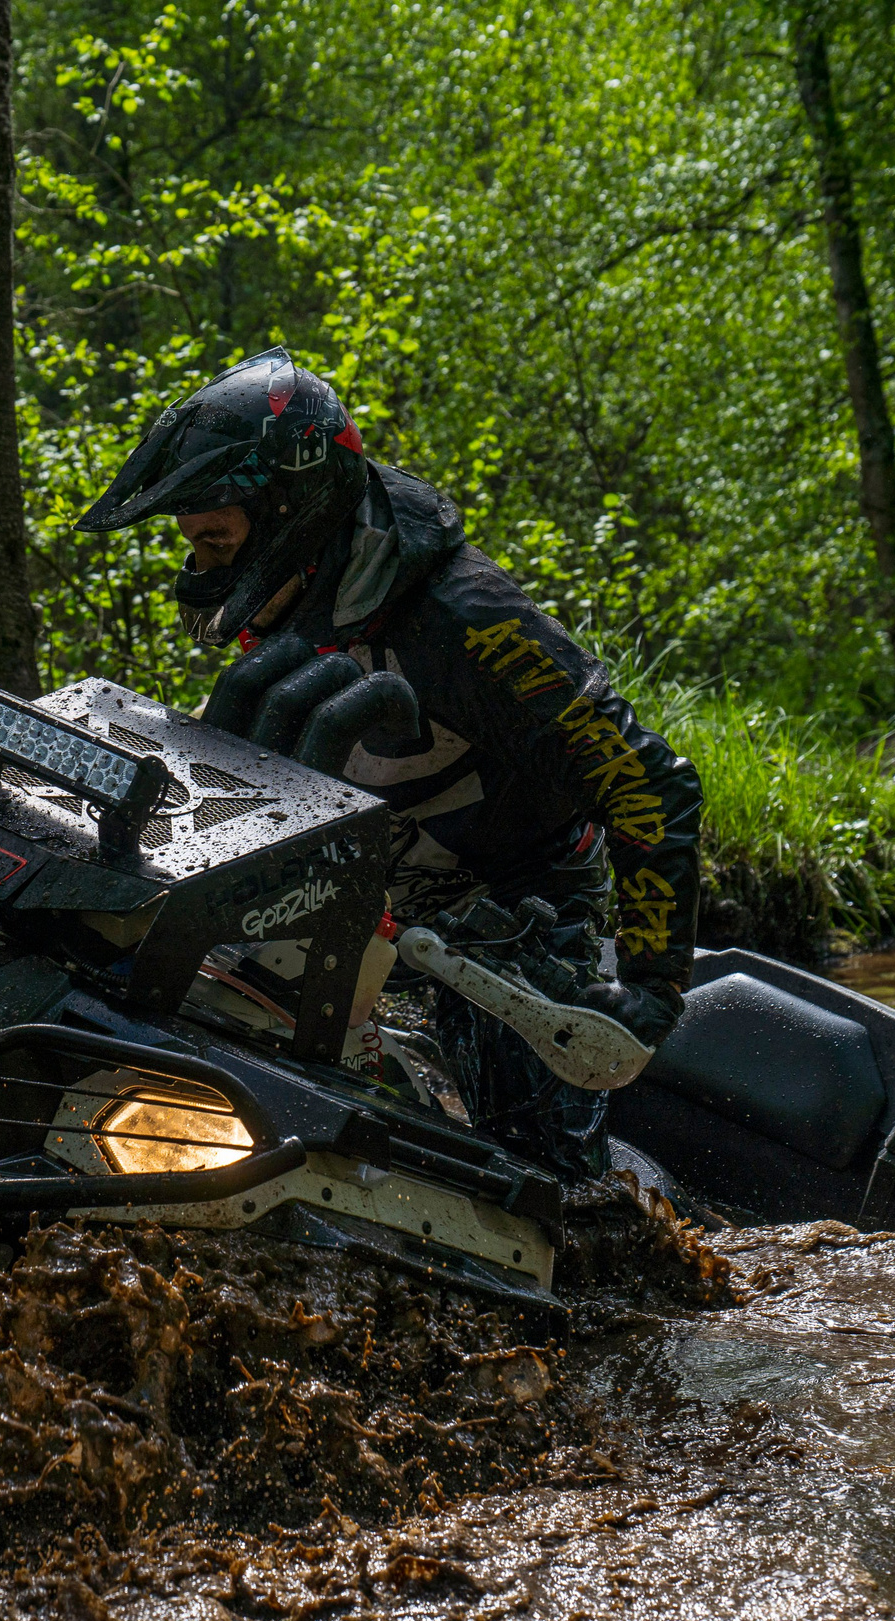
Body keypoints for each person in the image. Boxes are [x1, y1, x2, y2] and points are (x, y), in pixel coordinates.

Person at [77, 347, 704, 1178]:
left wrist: (652, 990)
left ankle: (605, 1244)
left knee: (535, 1171)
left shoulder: (468, 620)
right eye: (196, 547)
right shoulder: (309, 581)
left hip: (512, 901)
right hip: (368, 883)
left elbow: (645, 780)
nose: (202, 570)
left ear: (290, 509)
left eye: (217, 542)